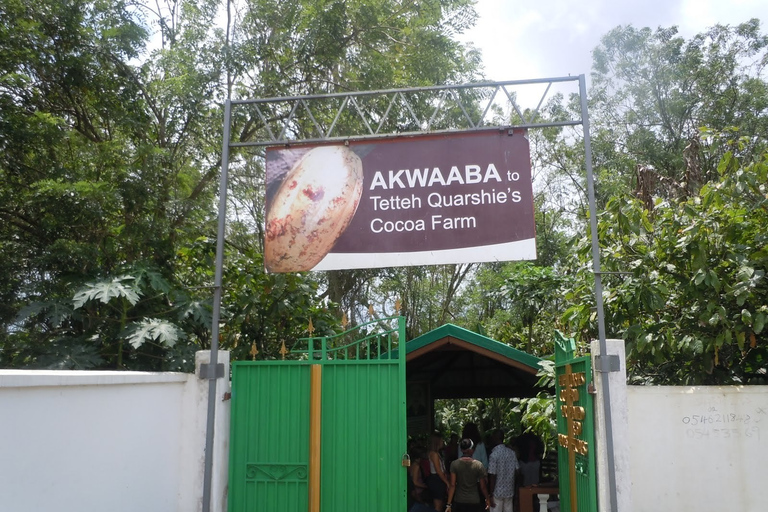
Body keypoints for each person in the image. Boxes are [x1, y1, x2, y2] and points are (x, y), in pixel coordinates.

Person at [447, 438, 494, 512]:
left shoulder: (454, 464)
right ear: (471, 450)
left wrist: (448, 504)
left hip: (459, 500)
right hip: (474, 500)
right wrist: (487, 499)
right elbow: (483, 486)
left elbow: (452, 485)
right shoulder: (478, 465)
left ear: (461, 450)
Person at [487, 429, 519, 512]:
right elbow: (517, 471)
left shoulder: (494, 455)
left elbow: (492, 475)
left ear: (495, 438)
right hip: (509, 491)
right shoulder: (512, 453)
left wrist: (490, 494)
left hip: (497, 492)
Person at [426, 432, 450, 512]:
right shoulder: (434, 454)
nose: (443, 442)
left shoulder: (436, 453)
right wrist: (447, 482)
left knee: (440, 504)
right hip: (437, 479)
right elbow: (438, 470)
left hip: (438, 479)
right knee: (438, 506)